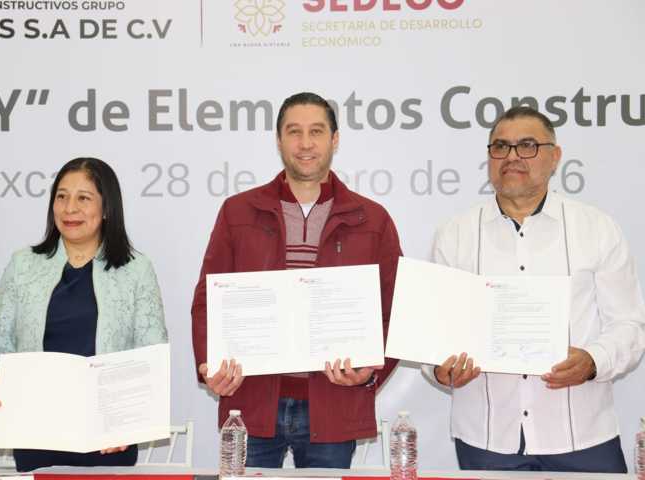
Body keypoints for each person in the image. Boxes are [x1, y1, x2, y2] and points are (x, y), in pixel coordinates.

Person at [426, 106, 645, 472]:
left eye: (527, 145)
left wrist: (593, 361)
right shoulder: (455, 234)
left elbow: (629, 326)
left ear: (554, 156)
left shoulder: (596, 228)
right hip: (487, 437)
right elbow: (433, 332)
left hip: (581, 432)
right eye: (500, 146)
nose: (512, 156)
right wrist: (439, 369)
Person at [191, 92, 402, 468]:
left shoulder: (372, 219)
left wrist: (370, 372)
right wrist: (211, 367)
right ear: (278, 140)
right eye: (294, 132)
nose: (305, 143)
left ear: (334, 140)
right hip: (251, 400)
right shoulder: (238, 212)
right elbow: (208, 300)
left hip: (334, 405)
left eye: (316, 132)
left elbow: (397, 310)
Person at [0, 157, 168, 472]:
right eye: (62, 196)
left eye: (83, 198)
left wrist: (130, 422)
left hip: (110, 436)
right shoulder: (23, 264)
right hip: (36, 431)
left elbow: (151, 353)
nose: (69, 208)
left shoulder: (136, 269)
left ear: (106, 208)